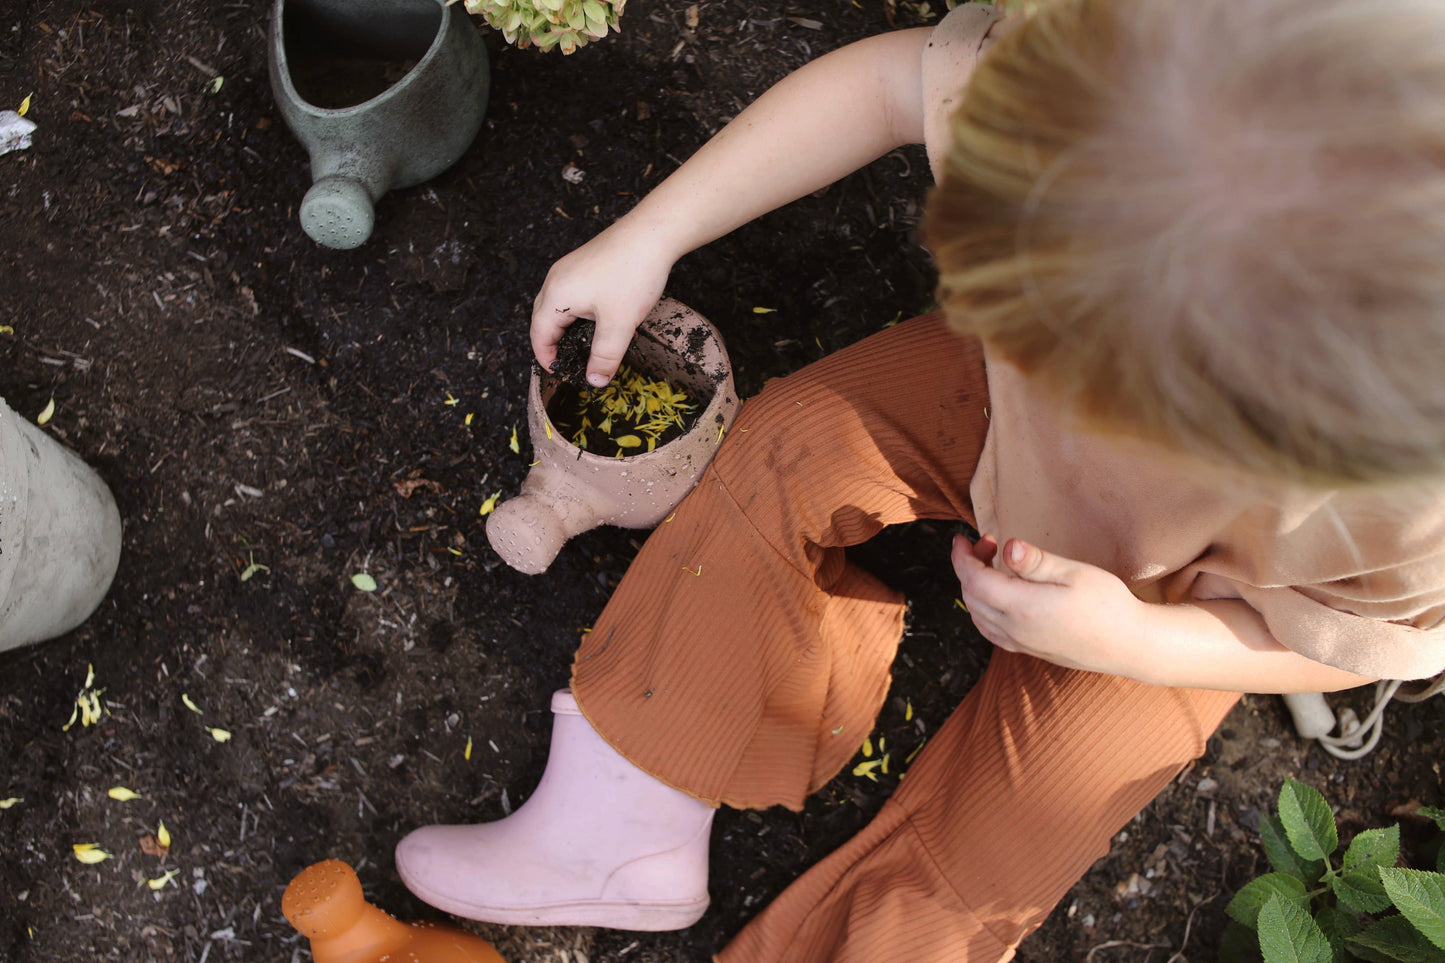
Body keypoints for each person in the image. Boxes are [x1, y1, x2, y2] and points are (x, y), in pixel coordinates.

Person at [395, 0, 1445, 958]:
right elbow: (893, 85)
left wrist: (1125, 640)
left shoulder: (1414, 499)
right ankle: (627, 818)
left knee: (983, 861)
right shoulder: (1133, 75)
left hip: (1191, 606)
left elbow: (1352, 643)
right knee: (791, 447)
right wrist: (651, 234)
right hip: (1000, 405)